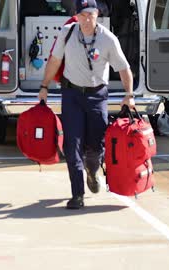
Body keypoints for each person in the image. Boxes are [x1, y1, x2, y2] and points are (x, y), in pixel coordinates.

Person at [39, 0, 135, 209]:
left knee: (96, 145)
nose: (86, 19)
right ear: (77, 15)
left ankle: (92, 170)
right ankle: (77, 194)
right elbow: (54, 61)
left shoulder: (107, 38)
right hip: (72, 94)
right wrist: (44, 87)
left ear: (97, 14)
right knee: (72, 145)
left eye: (90, 15)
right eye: (82, 15)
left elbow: (124, 68)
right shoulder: (67, 32)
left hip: (97, 96)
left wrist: (129, 94)